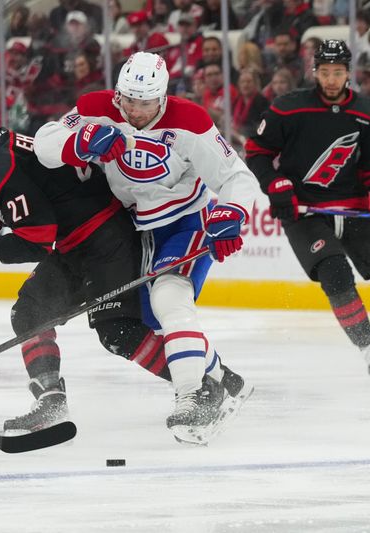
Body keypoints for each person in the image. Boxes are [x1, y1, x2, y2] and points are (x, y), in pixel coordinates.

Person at [34, 51, 255, 444]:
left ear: (163, 97)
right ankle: (225, 377)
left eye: (145, 102)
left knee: (171, 300)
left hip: (186, 222)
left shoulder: (190, 121)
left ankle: (193, 397)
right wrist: (78, 141)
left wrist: (232, 213)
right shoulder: (96, 108)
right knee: (150, 322)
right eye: (128, 101)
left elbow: (236, 176)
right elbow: (44, 143)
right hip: (137, 228)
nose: (135, 111)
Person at [0, 97, 174, 436]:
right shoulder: (0, 152)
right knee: (30, 312)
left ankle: (204, 382)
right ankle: (51, 401)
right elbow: (13, 205)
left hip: (106, 239)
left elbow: (37, 240)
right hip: (80, 242)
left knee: (119, 332)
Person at [245, 39, 370, 377]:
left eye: (337, 72)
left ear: (347, 74)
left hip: (354, 211)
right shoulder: (288, 107)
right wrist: (277, 185)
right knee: (336, 273)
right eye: (324, 72)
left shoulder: (367, 111)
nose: (330, 80)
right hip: (305, 214)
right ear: (315, 72)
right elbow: (257, 152)